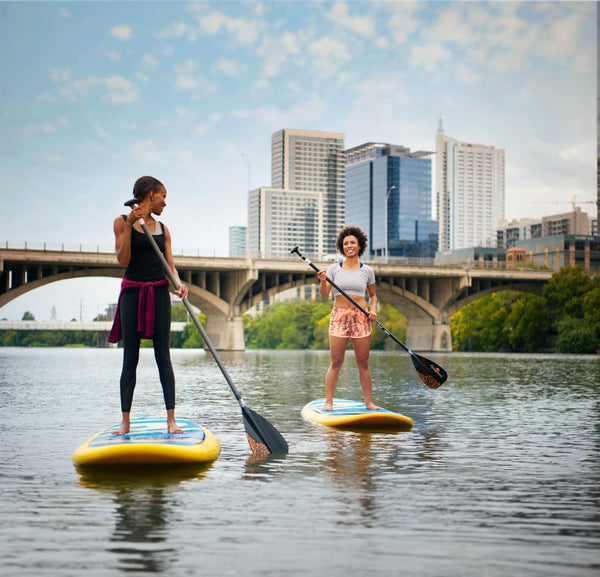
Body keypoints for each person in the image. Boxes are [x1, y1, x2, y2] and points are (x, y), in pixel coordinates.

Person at [108, 176, 188, 435]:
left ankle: (171, 420)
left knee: (163, 357)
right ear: (151, 194)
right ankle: (125, 422)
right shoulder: (122, 221)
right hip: (132, 293)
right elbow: (123, 260)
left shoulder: (164, 229)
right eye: (163, 196)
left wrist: (179, 283)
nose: (165, 202)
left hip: (158, 293)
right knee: (130, 357)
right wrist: (130, 226)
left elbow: (170, 264)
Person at [317, 226, 378, 411]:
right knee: (335, 362)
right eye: (345, 244)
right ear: (342, 247)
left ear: (359, 246)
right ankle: (329, 402)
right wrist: (322, 281)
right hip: (339, 317)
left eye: (352, 243)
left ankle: (369, 402)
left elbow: (373, 296)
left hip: (361, 317)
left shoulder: (367, 271)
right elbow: (323, 296)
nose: (349, 246)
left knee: (363, 362)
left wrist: (373, 310)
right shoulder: (333, 269)